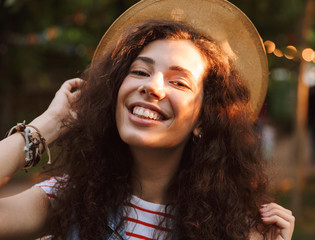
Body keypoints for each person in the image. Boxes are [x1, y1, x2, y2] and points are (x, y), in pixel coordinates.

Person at [0, 1, 295, 239]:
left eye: (179, 83)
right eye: (140, 71)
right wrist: (46, 126)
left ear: (205, 120)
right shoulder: (68, 198)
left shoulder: (235, 229)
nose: (152, 86)